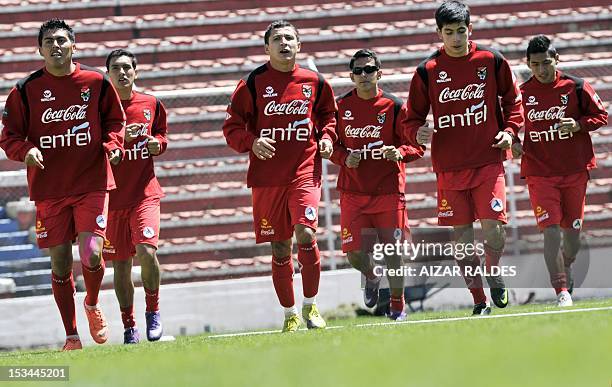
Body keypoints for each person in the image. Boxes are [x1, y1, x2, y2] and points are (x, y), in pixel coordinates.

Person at [0, 19, 125, 350]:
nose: (55, 46)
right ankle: (71, 335)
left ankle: (93, 303)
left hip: (91, 182)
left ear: (74, 45)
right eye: (48, 42)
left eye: (61, 40)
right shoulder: (25, 91)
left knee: (91, 253)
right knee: (59, 261)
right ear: (40, 50)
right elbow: (9, 136)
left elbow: (116, 120)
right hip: (50, 189)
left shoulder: (96, 82)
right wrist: (26, 150)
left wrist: (113, 144)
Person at [403, 1, 524, 315]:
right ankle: (479, 301)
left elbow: (513, 102)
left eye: (460, 31)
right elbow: (410, 118)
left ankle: (493, 270)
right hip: (449, 167)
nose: (455, 38)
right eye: (449, 32)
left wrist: (510, 131)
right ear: (438, 33)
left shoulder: (491, 60)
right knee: (461, 240)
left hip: (488, 161)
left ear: (470, 29)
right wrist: (417, 132)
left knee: (494, 230)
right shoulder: (427, 71)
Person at [223, 20, 337, 332]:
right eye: (277, 39)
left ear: (299, 45)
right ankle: (290, 314)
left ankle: (311, 306)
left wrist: (327, 137)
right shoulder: (253, 82)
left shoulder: (314, 81)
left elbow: (329, 115)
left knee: (307, 234)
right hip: (267, 179)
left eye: (289, 38)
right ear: (266, 47)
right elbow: (231, 126)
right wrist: (252, 142)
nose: (284, 43)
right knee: (279, 247)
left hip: (304, 171)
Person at [513, 35, 607, 306]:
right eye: (535, 65)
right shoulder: (522, 94)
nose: (541, 70)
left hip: (574, 170)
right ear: (528, 64)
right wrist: (515, 143)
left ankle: (566, 265)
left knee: (573, 237)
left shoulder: (576, 87)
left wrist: (577, 125)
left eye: (546, 63)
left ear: (556, 60)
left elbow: (601, 115)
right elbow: (507, 124)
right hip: (539, 172)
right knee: (551, 230)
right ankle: (561, 291)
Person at [330, 49, 424, 321]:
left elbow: (417, 145)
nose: (363, 75)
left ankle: (397, 306)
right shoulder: (340, 107)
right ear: (351, 76)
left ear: (379, 74)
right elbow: (328, 144)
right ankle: (371, 274)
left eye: (369, 70)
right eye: (358, 71)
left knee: (394, 253)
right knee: (353, 253)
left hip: (388, 193)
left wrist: (400, 153)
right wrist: (344, 157)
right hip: (353, 192)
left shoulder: (394, 106)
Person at [104, 49, 168, 343]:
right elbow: (87, 146)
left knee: (146, 251)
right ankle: (129, 326)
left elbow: (162, 134)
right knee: (121, 265)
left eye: (127, 67)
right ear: (108, 74)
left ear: (136, 72)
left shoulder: (151, 103)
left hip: (145, 193)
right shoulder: (99, 109)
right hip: (111, 198)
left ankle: (153, 312)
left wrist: (158, 143)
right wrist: (117, 141)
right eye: (115, 68)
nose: (122, 72)